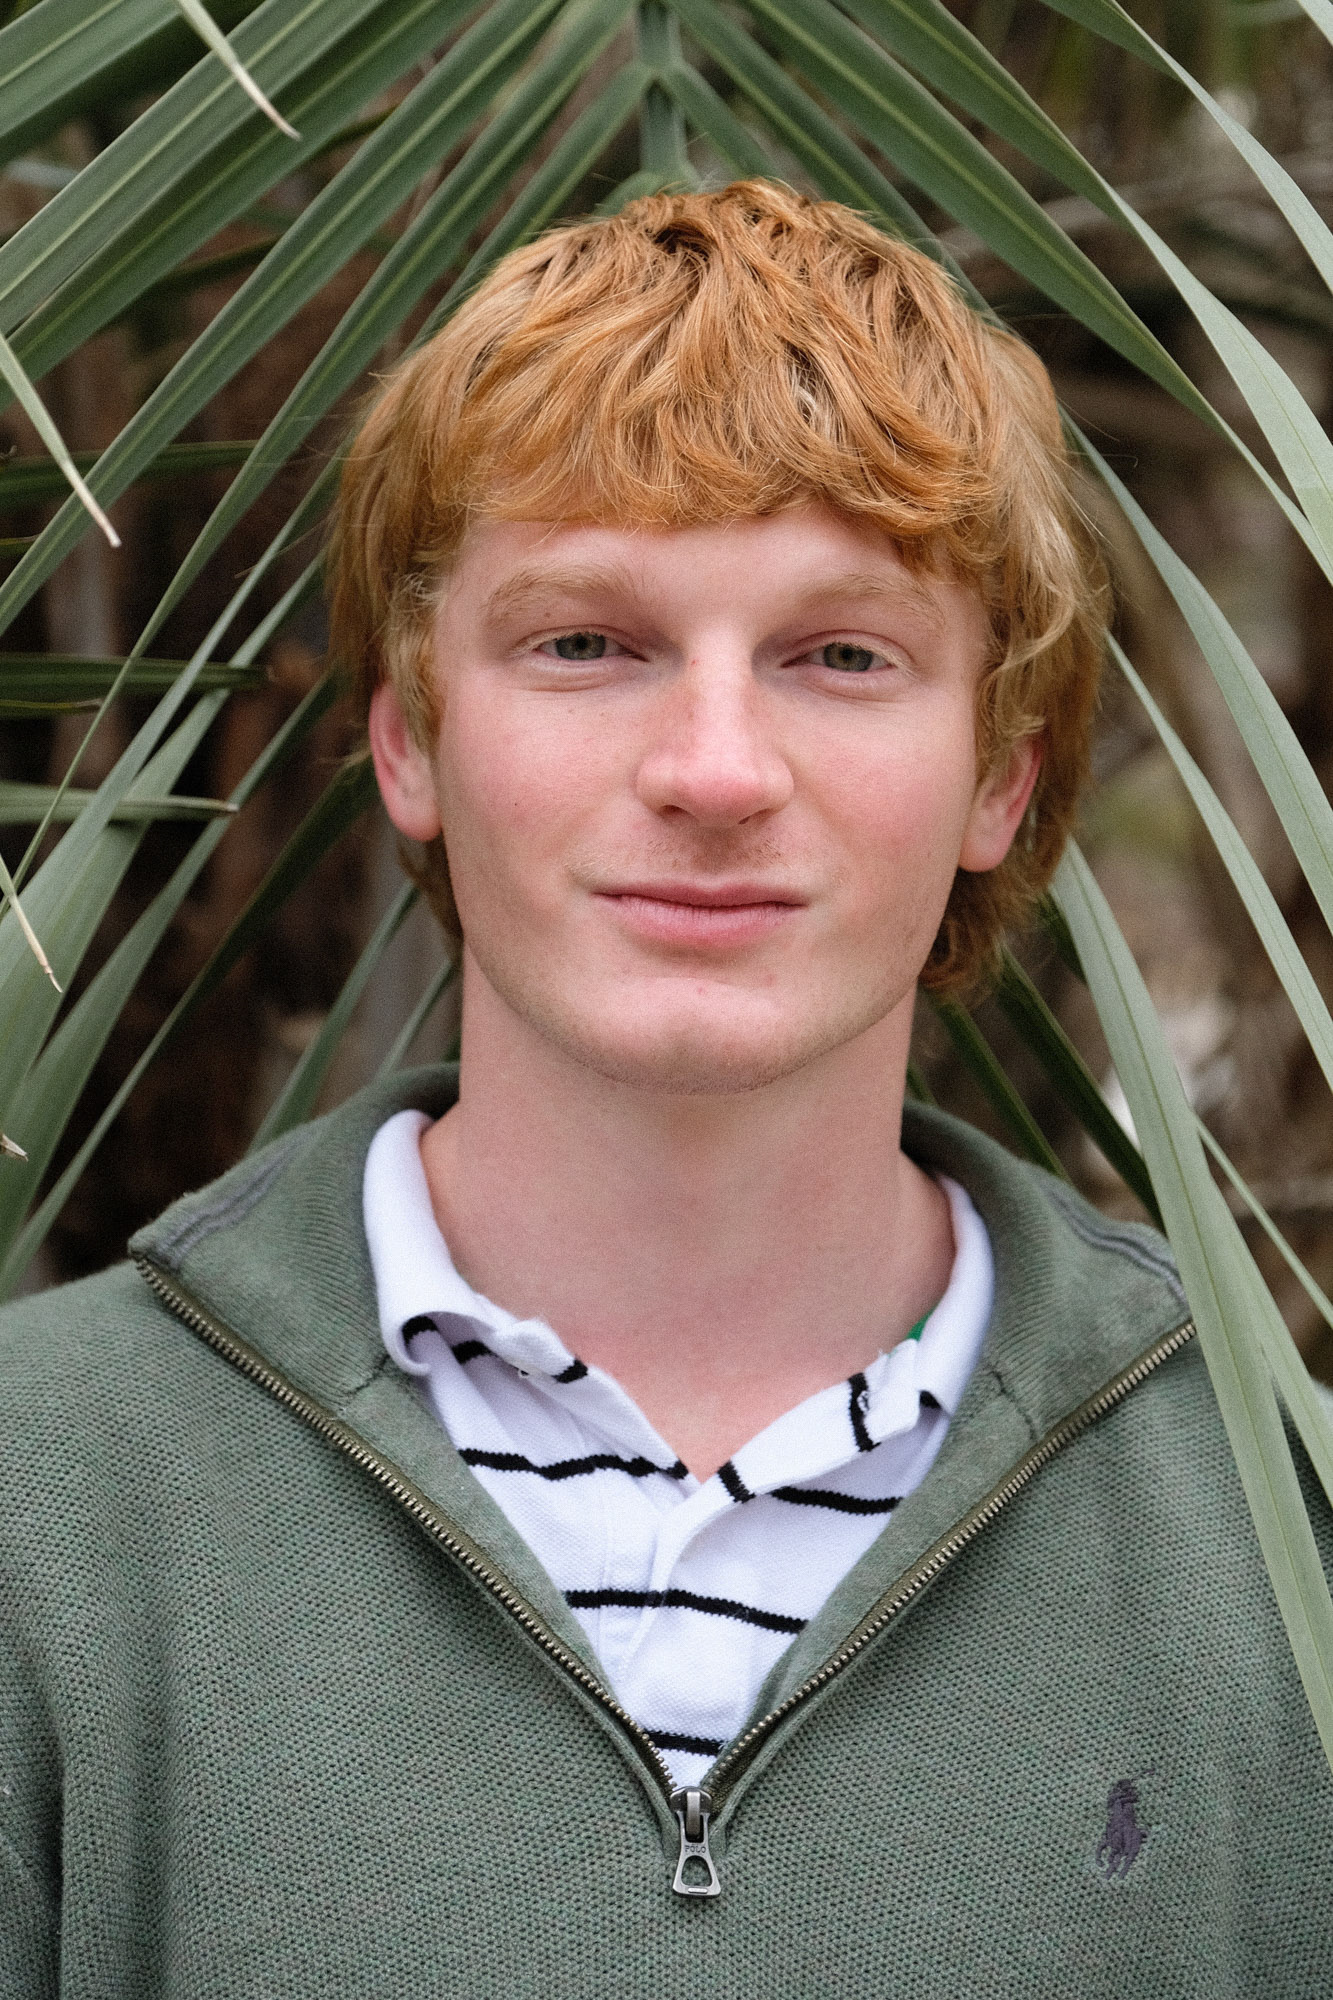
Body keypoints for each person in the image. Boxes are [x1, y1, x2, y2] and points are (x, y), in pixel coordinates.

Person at [1, 180, 1330, 1998]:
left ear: (1002, 779)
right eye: (587, 645)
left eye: (840, 656)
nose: (713, 770)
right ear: (410, 737)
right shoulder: (41, 1498)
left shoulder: (1281, 1527)